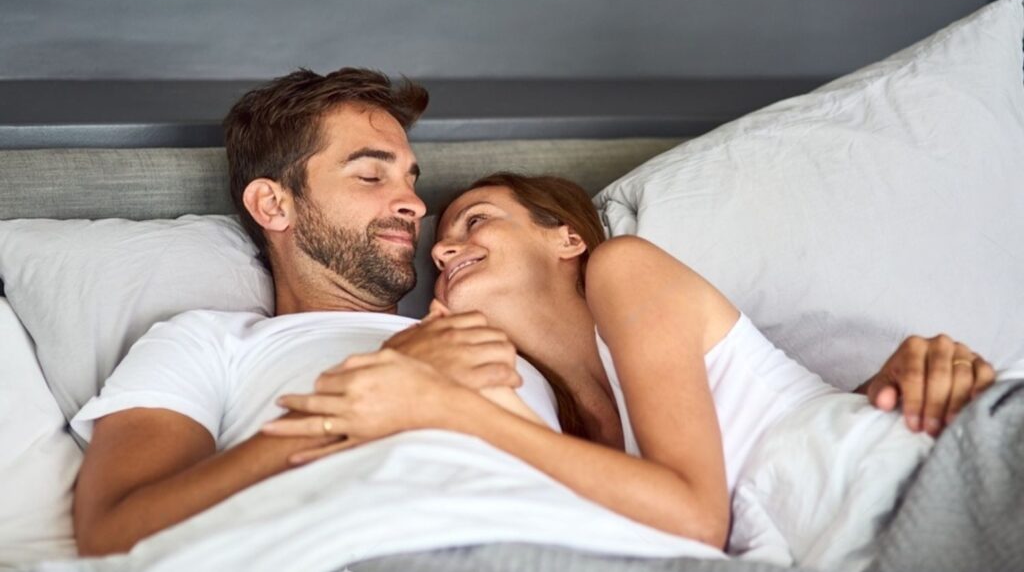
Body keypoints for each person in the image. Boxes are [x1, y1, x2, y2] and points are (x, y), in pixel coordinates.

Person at [72, 68, 994, 556]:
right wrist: (365, 409)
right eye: (371, 172)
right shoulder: (207, 342)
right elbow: (113, 527)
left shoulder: (567, 341)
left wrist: (885, 387)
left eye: (416, 180)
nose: (415, 208)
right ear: (273, 206)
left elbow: (708, 478)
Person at [263, 172, 998, 548]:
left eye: (475, 221)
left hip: (933, 472)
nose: (445, 250)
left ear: (565, 240)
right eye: (441, 249)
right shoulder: (578, 439)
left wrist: (448, 409)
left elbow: (698, 513)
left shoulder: (623, 268)